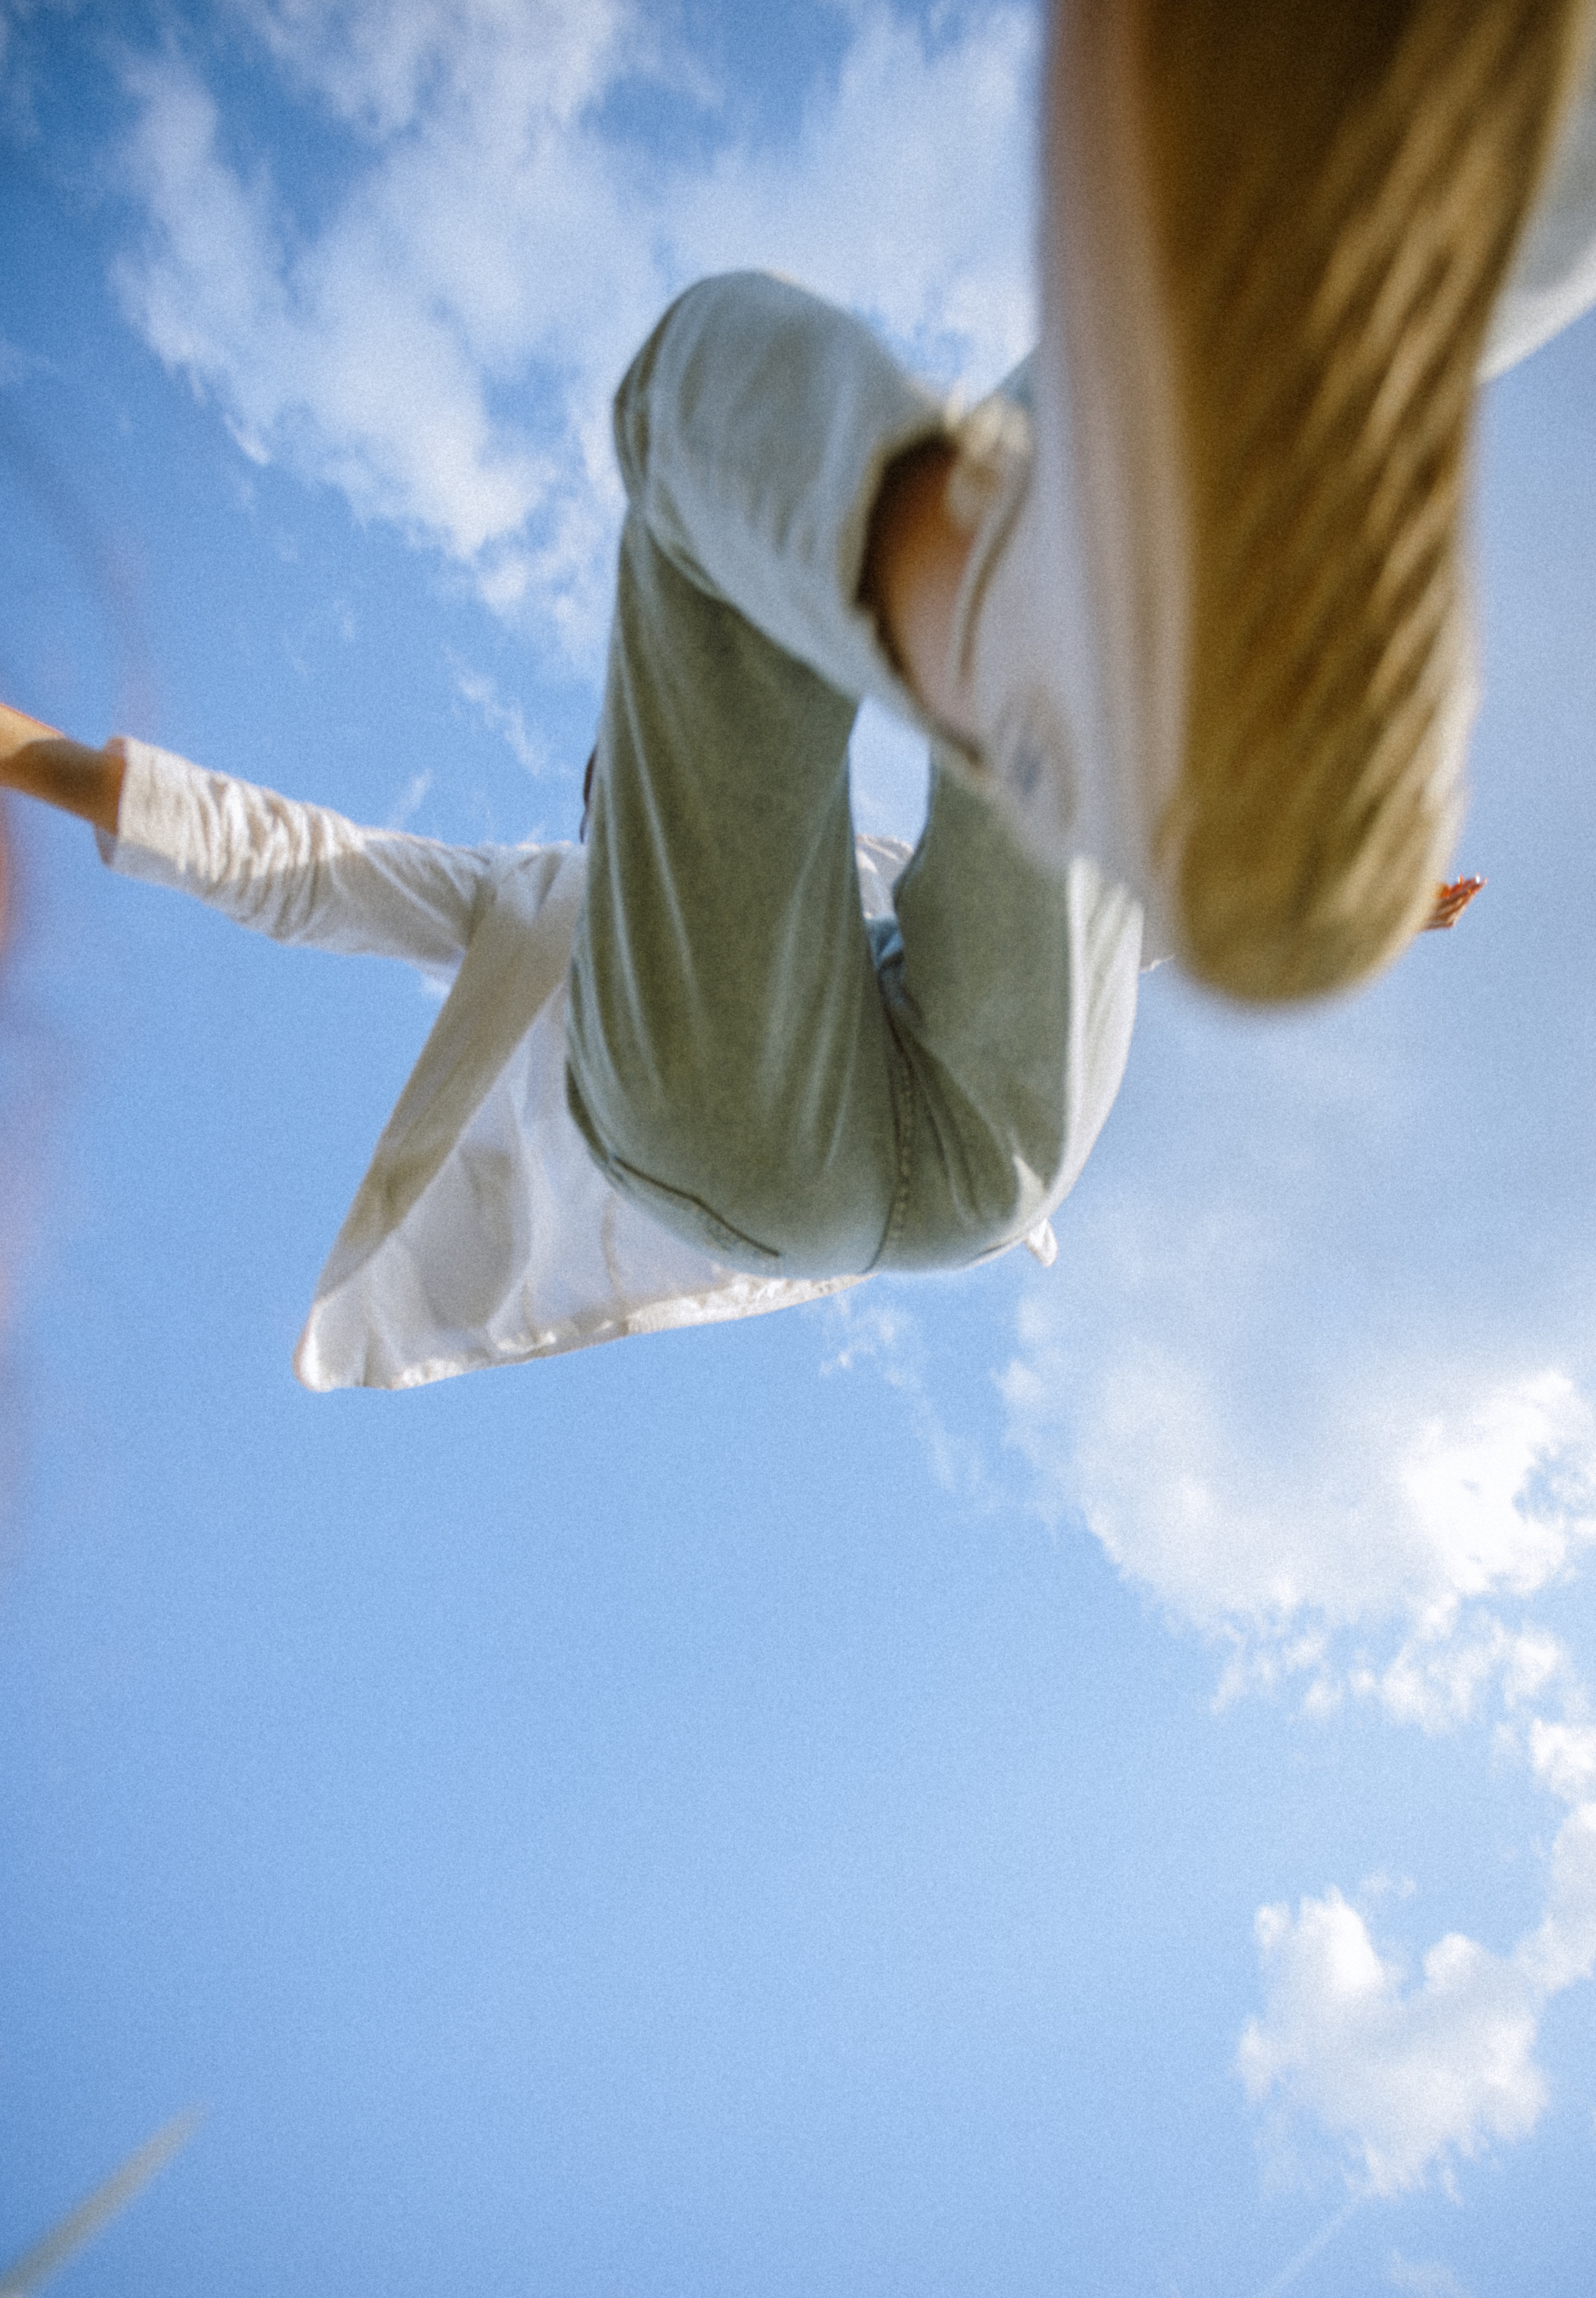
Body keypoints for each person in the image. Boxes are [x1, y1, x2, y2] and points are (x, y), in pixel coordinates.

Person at [2, 1, 1591, 1388]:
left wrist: (1314, 887)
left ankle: (1501, 180)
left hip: (987, 1142)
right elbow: (296, 864)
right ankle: (999, 591)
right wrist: (37, 758)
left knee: (1066, 422)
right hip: (758, 1149)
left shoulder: (878, 861)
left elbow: (1077, 928)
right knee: (695, 380)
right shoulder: (526, 905)